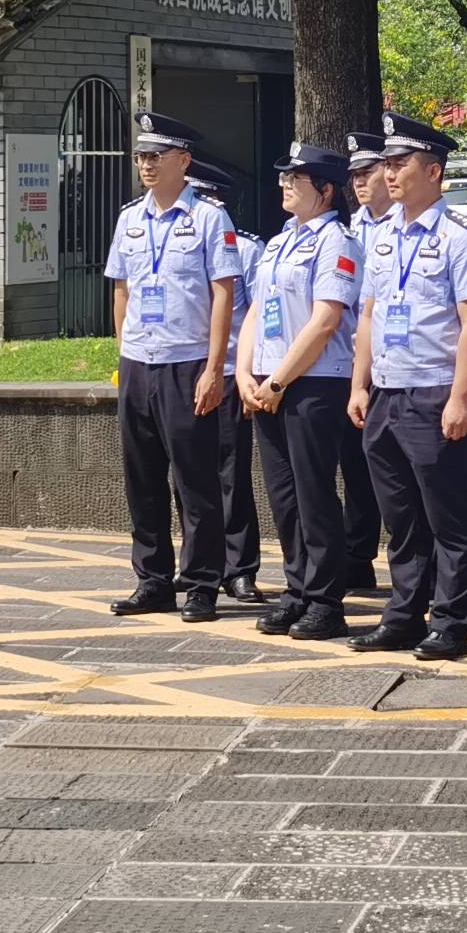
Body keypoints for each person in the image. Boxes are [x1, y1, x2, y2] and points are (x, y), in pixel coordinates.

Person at [350, 107, 467, 657]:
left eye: (400, 162)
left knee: (448, 514)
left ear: (432, 171)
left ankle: (452, 620)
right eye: (385, 163)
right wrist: (360, 385)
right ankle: (405, 612)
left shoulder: (462, 236)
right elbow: (369, 314)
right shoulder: (382, 235)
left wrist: (460, 397)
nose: (388, 173)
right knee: (401, 516)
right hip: (387, 391)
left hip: (434, 391)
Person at [104, 112, 242, 620]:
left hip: (188, 363)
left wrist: (213, 368)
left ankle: (203, 582)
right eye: (141, 156)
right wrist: (125, 351)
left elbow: (223, 294)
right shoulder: (129, 219)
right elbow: (121, 290)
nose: (145, 165)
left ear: (183, 161)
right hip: (140, 362)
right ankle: (153, 580)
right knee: (141, 478)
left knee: (195, 479)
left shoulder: (208, 218)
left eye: (155, 156)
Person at [241, 141, 378, 637]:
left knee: (314, 493)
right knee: (284, 495)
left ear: (323, 189)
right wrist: (245, 374)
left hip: (314, 382)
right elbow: (256, 310)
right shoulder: (279, 242)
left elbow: (325, 321)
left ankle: (325, 599)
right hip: (269, 383)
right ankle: (297, 590)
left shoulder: (336, 243)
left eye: (294, 180)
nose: (284, 186)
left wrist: (278, 380)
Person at [199, 158, 270, 610]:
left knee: (232, 475)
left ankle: (240, 569)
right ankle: (199, 565)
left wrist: (252, 375)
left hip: (227, 373)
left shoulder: (246, 250)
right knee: (189, 478)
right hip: (182, 372)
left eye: (203, 198)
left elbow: (262, 317)